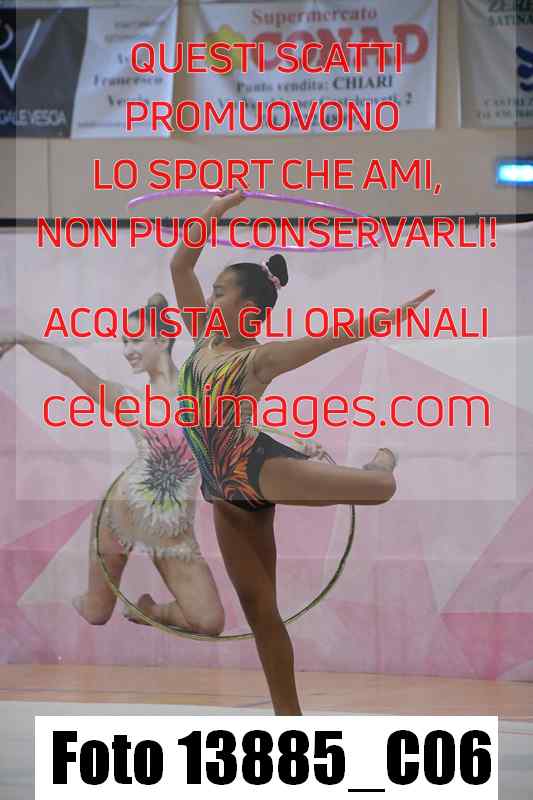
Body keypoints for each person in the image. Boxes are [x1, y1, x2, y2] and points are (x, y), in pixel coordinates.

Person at [170, 189, 435, 714]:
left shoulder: (258, 359)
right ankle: (289, 722)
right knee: (261, 613)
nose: (209, 300)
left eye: (219, 293)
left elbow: (328, 340)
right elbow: (181, 263)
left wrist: (384, 319)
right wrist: (216, 211)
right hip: (223, 494)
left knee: (379, 488)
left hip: (255, 467)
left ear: (247, 308)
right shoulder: (201, 337)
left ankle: (381, 459)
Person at [0, 294, 225, 635]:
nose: (127, 350)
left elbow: (245, 428)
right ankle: (86, 599)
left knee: (209, 623)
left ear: (161, 340)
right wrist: (22, 338)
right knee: (96, 613)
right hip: (122, 513)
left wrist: (300, 448)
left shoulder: (201, 396)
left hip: (171, 527)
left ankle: (149, 609)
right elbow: (72, 368)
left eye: (135, 340)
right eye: (124, 342)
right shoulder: (130, 401)